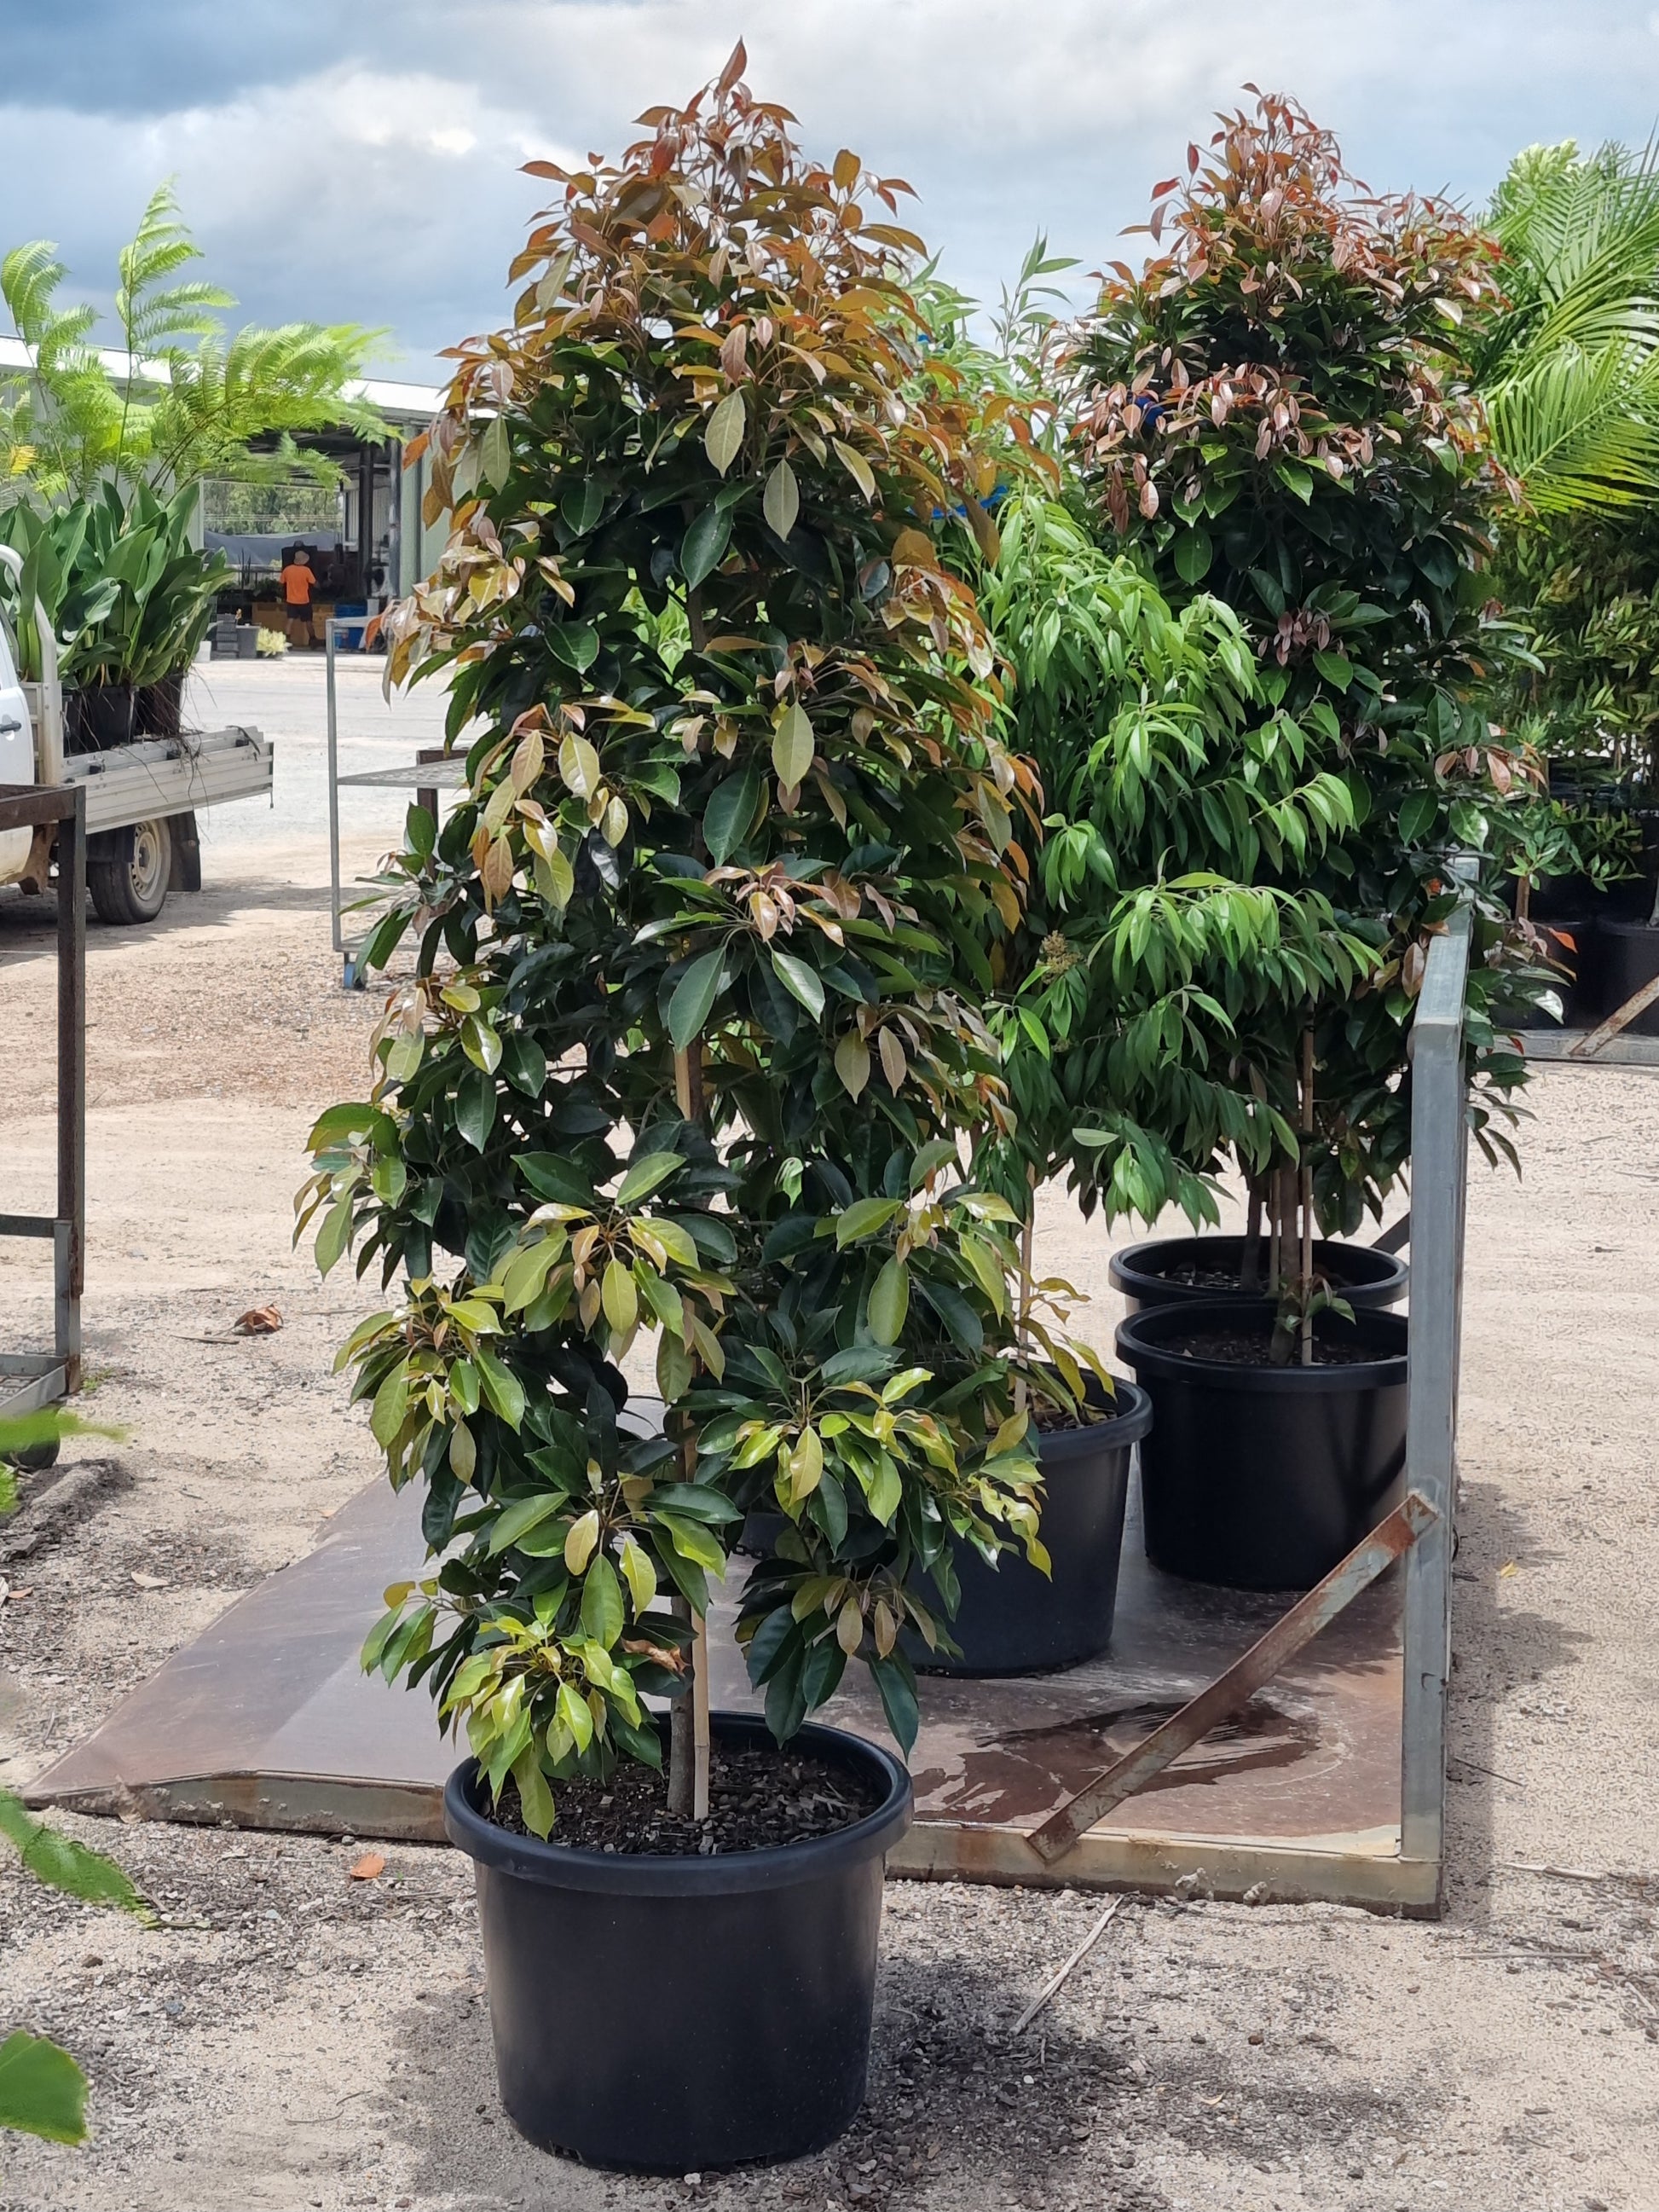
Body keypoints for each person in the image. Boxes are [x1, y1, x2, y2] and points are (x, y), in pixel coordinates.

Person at [278, 547, 316, 650]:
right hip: (304, 600)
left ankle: (287, 641)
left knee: (290, 621)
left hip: (291, 600)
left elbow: (281, 583)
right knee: (308, 621)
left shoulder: (287, 570)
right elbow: (314, 583)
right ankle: (312, 640)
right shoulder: (306, 570)